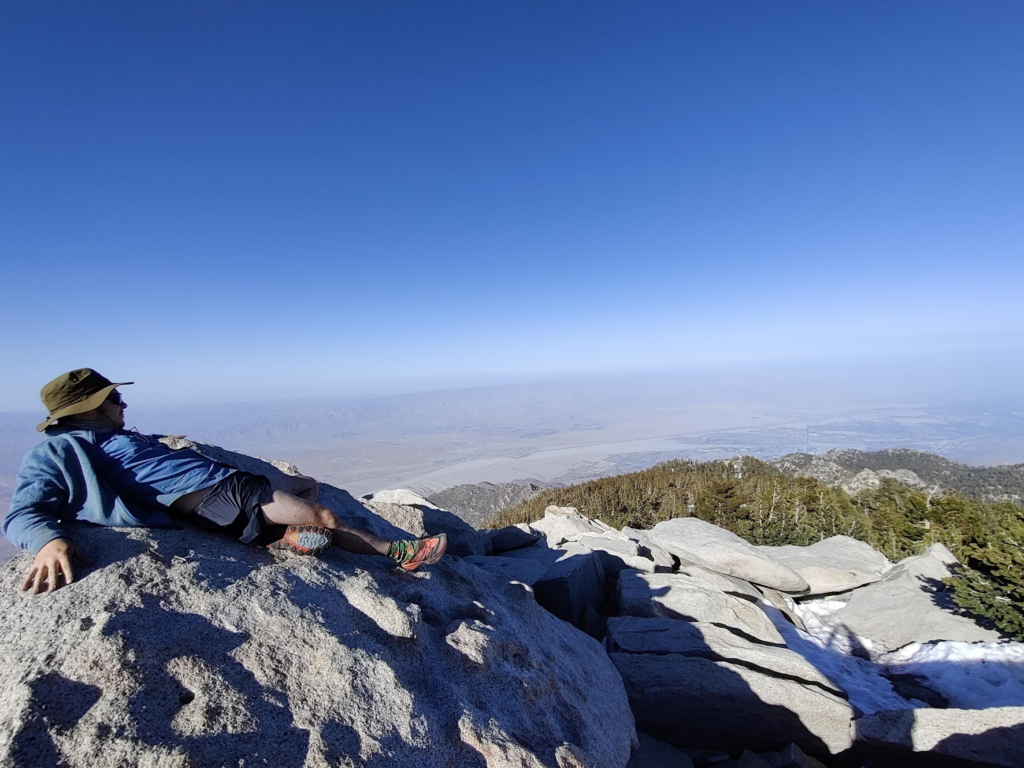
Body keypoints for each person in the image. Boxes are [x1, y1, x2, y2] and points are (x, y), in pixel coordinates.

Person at [4, 368, 447, 594]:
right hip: (219, 497)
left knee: (306, 483)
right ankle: (403, 553)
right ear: (86, 408)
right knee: (324, 514)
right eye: (113, 398)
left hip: (233, 486)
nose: (122, 403)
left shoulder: (114, 435)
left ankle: (286, 536)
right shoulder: (57, 450)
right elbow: (23, 511)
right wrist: (47, 540)